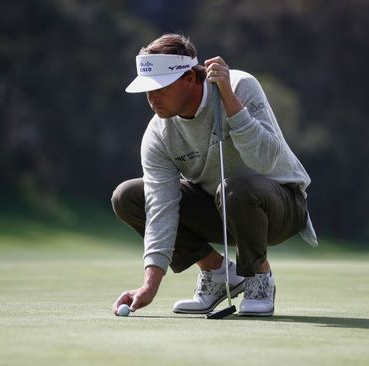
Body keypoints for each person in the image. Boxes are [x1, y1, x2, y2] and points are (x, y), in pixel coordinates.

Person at [111, 33, 317, 317]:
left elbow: (268, 160)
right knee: (128, 196)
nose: (152, 98)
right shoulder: (158, 133)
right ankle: (218, 273)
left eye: (160, 87)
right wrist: (150, 285)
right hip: (220, 210)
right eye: (147, 89)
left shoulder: (240, 86)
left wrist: (230, 101)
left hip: (281, 208)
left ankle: (259, 278)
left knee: (235, 188)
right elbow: (161, 208)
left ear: (189, 78)